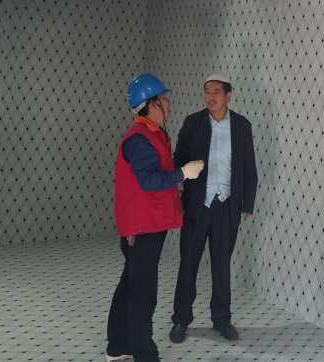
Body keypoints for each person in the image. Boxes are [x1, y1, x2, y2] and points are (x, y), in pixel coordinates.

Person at [106, 73, 204, 362]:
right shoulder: (139, 139)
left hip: (148, 224)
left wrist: (176, 180)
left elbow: (156, 174)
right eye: (163, 99)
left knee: (131, 285)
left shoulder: (154, 133)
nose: (169, 103)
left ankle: (118, 345)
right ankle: (144, 354)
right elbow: (148, 180)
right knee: (143, 293)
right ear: (151, 104)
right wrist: (183, 173)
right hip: (142, 227)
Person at [169, 73, 258, 343]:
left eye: (216, 91)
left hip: (227, 205)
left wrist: (248, 202)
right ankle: (181, 320)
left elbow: (248, 165)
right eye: (207, 91)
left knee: (221, 266)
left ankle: (222, 320)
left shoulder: (241, 125)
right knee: (188, 264)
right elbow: (178, 160)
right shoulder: (193, 123)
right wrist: (178, 190)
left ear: (228, 95)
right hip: (197, 205)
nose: (211, 97)